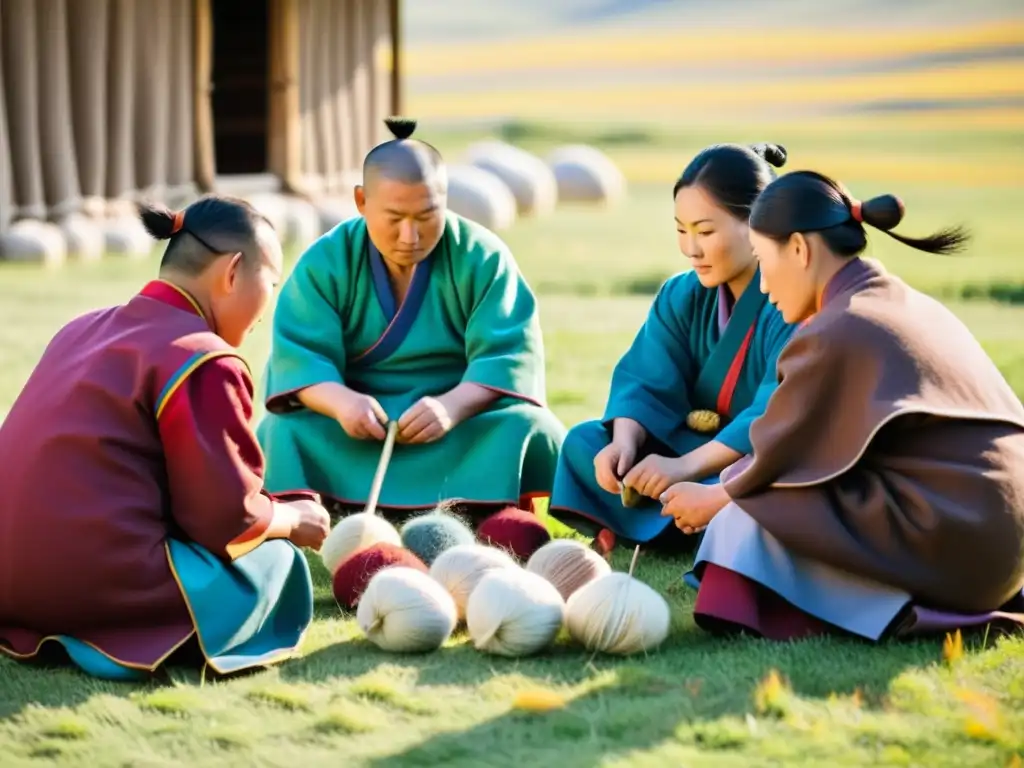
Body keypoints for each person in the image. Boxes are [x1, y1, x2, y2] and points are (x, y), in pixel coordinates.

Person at [668, 170, 1024, 642]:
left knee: (744, 519)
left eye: (762, 259)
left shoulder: (837, 327)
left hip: (961, 542)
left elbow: (776, 458)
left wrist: (714, 497)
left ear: (799, 249)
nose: (764, 285)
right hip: (1002, 540)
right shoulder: (902, 301)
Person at [0, 196, 332, 681]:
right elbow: (226, 522)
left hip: (10, 583)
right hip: (93, 585)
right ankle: (110, 638)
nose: (270, 300)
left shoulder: (78, 329)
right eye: (272, 282)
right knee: (274, 562)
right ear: (234, 271)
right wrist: (290, 518)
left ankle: (70, 630)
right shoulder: (204, 358)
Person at [256, 118, 565, 518]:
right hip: (358, 426)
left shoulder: (482, 256)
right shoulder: (326, 260)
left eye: (425, 217)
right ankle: (307, 514)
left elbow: (507, 357)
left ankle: (489, 508)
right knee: (282, 432)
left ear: (445, 198)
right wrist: (342, 403)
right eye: (395, 218)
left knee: (531, 426)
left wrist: (451, 407)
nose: (410, 236)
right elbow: (299, 359)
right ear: (361, 201)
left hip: (459, 421)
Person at [547, 143, 796, 553]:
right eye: (681, 230)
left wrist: (683, 468)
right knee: (584, 442)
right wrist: (624, 442)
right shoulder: (681, 294)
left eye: (706, 231)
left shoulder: (789, 301)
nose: (691, 248)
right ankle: (687, 524)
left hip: (747, 458)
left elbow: (775, 412)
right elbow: (645, 379)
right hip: (686, 447)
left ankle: (681, 519)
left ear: (757, 224)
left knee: (761, 486)